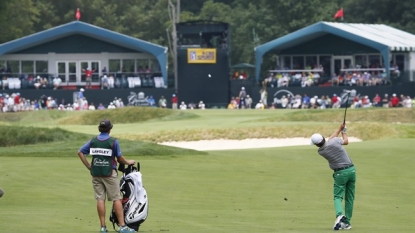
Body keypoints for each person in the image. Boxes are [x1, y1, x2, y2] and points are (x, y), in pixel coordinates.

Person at [77, 119, 137, 233]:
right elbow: (119, 158)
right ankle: (122, 227)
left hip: (96, 173)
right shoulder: (113, 141)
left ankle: (103, 228)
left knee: (100, 199)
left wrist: (89, 166)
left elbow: (80, 152)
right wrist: (128, 162)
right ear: (110, 129)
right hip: (109, 174)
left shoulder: (93, 141)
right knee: (116, 199)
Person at [310, 123, 356, 231]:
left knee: (337, 197)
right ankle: (347, 223)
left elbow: (329, 141)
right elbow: (345, 141)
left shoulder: (321, 151)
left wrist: (339, 129)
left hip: (340, 174)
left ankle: (340, 215)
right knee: (350, 198)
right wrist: (344, 131)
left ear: (316, 145)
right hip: (352, 171)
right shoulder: (334, 142)